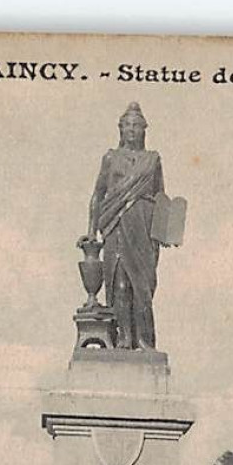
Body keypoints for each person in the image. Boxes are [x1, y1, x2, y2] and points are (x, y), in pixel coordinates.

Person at [83, 103, 167, 349]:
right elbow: (98, 194)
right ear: (120, 129)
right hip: (116, 227)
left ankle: (144, 341)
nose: (132, 130)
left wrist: (164, 231)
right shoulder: (111, 158)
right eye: (127, 125)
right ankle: (123, 339)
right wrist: (91, 231)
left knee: (142, 289)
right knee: (120, 285)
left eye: (137, 126)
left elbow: (162, 197)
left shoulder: (153, 161)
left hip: (144, 227)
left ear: (144, 130)